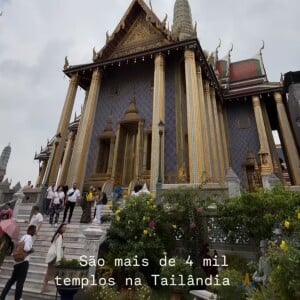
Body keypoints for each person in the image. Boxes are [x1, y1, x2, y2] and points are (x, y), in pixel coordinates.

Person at [0, 225, 36, 300]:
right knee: (20, 282)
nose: (34, 232)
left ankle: (2, 296)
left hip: (17, 262)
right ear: (31, 230)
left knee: (11, 280)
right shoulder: (29, 237)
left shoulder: (23, 237)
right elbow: (26, 248)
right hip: (24, 262)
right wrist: (31, 250)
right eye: (34, 230)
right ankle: (17, 298)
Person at [41, 223, 67, 293]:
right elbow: (58, 248)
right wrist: (58, 260)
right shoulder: (60, 236)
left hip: (52, 256)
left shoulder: (57, 235)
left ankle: (47, 288)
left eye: (65, 227)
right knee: (52, 272)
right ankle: (45, 288)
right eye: (63, 227)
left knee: (54, 272)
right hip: (54, 257)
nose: (64, 229)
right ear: (60, 228)